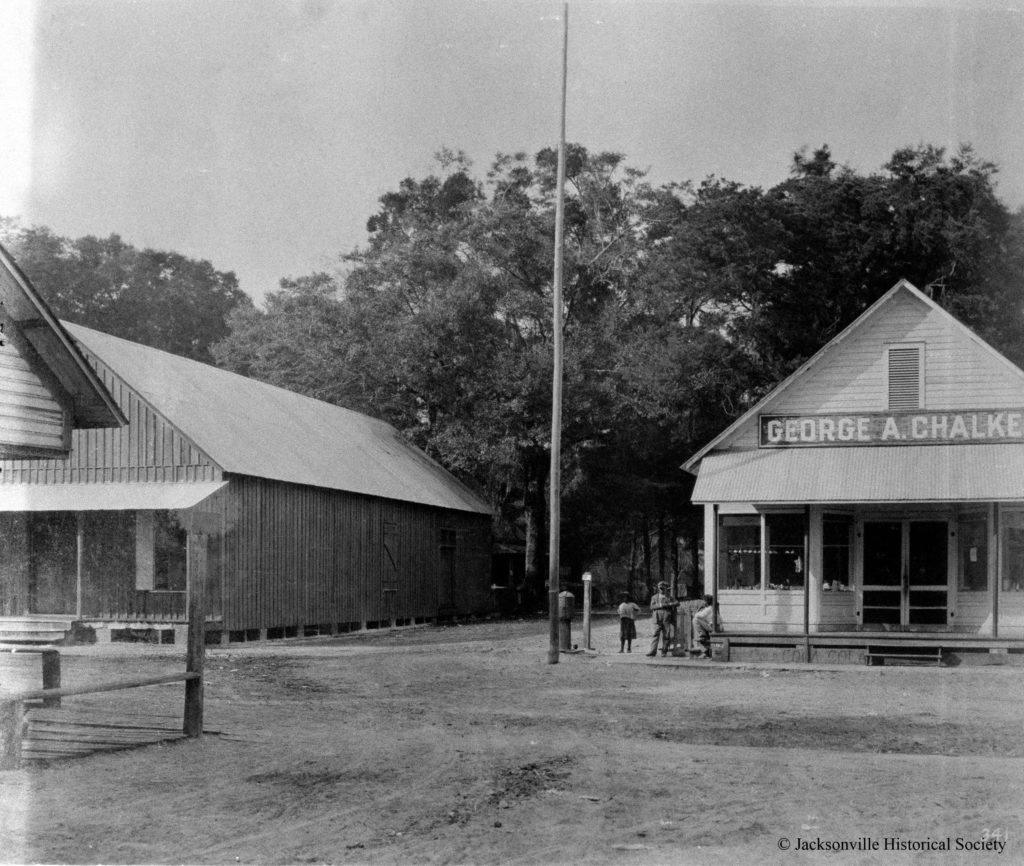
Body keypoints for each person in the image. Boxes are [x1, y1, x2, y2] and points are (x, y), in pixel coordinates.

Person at [646, 581, 678, 657]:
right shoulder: (654, 597)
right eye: (660, 588)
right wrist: (661, 605)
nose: (662, 590)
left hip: (666, 617)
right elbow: (652, 607)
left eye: (663, 588)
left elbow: (677, 603)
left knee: (666, 635)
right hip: (657, 618)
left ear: (666, 589)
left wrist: (669, 604)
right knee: (655, 634)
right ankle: (653, 651)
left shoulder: (669, 597)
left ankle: (664, 651)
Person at [692, 594, 716, 659]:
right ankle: (706, 652)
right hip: (713, 626)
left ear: (706, 601)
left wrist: (699, 609)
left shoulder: (709, 608)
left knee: (695, 619)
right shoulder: (711, 608)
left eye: (704, 601)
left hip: (712, 627)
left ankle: (702, 634)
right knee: (700, 640)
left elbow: (698, 615)